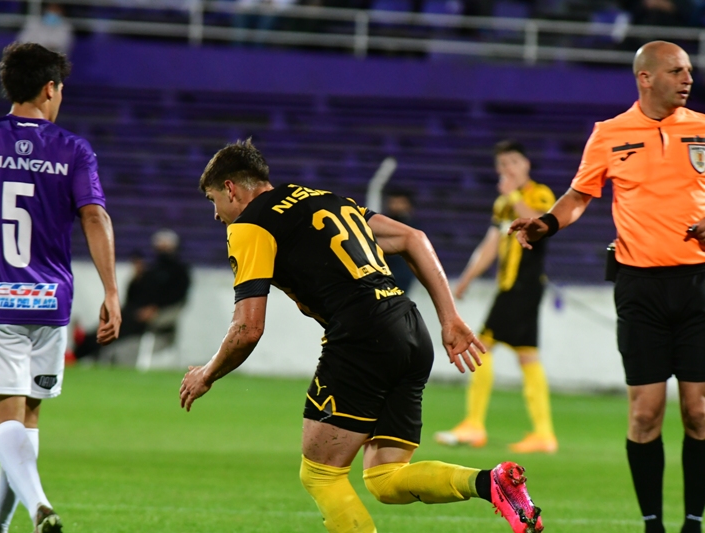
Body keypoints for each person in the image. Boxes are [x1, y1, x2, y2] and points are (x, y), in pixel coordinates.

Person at [179, 139, 544, 533]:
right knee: (385, 478)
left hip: (361, 337)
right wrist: (449, 318)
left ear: (231, 188)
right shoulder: (323, 198)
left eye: (213, 199)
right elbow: (413, 238)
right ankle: (491, 483)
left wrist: (207, 373)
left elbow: (247, 329)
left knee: (321, 475)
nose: (217, 215)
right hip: (409, 327)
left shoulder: (250, 224)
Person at [511, 41, 705, 533]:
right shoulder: (609, 134)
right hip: (639, 286)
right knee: (645, 414)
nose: (688, 78)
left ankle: (693, 524)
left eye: (690, 70)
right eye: (676, 70)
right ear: (645, 78)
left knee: (698, 408)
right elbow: (579, 194)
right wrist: (547, 224)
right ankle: (652, 526)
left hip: (700, 284)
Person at [0, 42, 121, 533]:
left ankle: (38, 504)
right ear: (49, 88)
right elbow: (94, 216)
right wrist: (111, 291)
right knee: (28, 417)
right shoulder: (73, 149)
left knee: (4, 418)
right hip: (50, 302)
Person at [434, 140, 558, 454]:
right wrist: (467, 277)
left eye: (513, 162)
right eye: (502, 165)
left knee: (481, 347)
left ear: (526, 164)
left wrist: (514, 195)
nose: (508, 170)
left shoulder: (539, 193)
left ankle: (474, 425)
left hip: (523, 285)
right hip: (512, 287)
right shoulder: (502, 203)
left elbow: (538, 223)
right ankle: (543, 434)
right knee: (527, 355)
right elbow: (491, 243)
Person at [75, 229, 190, 362]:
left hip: (149, 318)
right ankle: (82, 346)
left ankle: (87, 348)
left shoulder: (180, 272)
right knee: (111, 324)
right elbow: (132, 295)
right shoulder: (151, 271)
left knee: (120, 330)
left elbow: (177, 297)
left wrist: (156, 310)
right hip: (133, 312)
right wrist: (136, 279)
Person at [381, 188, 416, 294]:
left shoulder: (414, 228)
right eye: (393, 202)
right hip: (382, 272)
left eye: (400, 202)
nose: (395, 206)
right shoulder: (380, 224)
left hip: (402, 273)